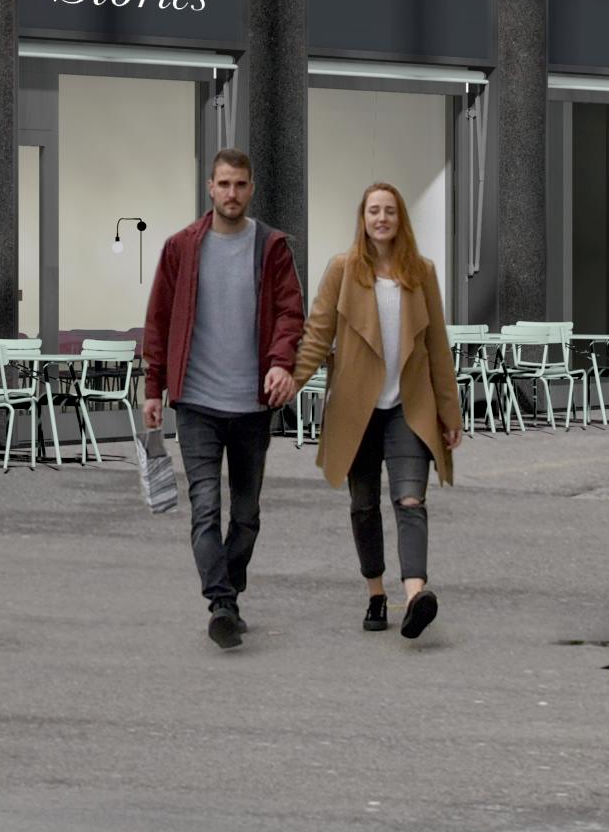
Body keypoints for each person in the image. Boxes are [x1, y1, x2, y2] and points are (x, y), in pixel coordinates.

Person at [129, 147, 300, 647]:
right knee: (205, 507)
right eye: (224, 184)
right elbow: (159, 320)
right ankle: (221, 604)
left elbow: (291, 314)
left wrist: (280, 362)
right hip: (198, 403)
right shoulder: (182, 248)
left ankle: (230, 591)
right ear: (210, 187)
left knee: (246, 515)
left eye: (240, 184)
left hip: (252, 405)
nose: (232, 193)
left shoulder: (271, 248)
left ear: (251, 188)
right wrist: (153, 387)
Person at [312, 175, 463, 638]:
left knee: (411, 500)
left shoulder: (422, 273)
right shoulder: (342, 270)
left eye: (390, 211)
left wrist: (450, 413)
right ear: (363, 219)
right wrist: (286, 382)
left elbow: (437, 348)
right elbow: (317, 335)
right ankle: (376, 593)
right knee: (363, 505)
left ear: (401, 219)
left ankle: (416, 595)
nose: (382, 218)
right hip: (357, 409)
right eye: (374, 210)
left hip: (407, 407)